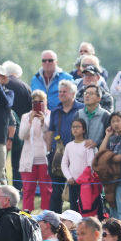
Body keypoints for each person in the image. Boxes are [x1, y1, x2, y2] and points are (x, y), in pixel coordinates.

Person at [48, 80, 81, 211]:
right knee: (56, 191)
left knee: (75, 191)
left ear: (73, 93)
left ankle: (74, 220)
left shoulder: (81, 109)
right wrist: (49, 151)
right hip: (58, 155)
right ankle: (54, 220)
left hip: (77, 155)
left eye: (64, 91)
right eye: (60, 92)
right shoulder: (55, 111)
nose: (61, 94)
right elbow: (50, 133)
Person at [2, 61, 34, 193]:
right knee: (17, 164)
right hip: (21, 129)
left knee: (1, 163)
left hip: (2, 128)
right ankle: (17, 191)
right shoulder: (25, 87)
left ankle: (2, 189)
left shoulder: (1, 84)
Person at [18, 89, 52, 211]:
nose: (38, 104)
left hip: (45, 158)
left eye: (41, 101)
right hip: (28, 159)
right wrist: (30, 121)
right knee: (27, 190)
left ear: (46, 102)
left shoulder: (50, 115)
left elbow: (49, 136)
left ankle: (46, 216)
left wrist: (43, 122)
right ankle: (27, 215)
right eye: (35, 102)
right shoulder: (26, 116)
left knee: (46, 191)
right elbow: (22, 136)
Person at [98, 113, 121, 220]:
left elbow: (118, 158)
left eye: (118, 121)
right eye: (113, 121)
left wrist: (106, 157)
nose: (115, 124)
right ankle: (115, 234)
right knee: (113, 212)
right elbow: (101, 152)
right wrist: (107, 135)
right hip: (111, 181)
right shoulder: (113, 138)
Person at [62, 119, 96, 211]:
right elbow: (64, 164)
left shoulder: (87, 145)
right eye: (73, 127)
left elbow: (90, 165)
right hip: (72, 183)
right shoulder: (69, 145)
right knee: (74, 208)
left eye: (78, 127)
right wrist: (69, 177)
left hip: (85, 183)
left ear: (84, 130)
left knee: (85, 207)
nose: (75, 129)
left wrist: (81, 179)